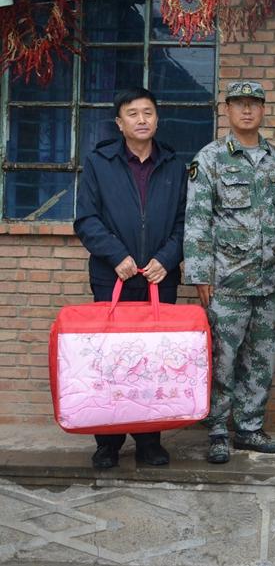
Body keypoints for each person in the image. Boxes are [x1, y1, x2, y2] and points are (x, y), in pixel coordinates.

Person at [74, 87, 186, 469]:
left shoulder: (173, 165)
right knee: (112, 360)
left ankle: (149, 441)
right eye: (133, 113)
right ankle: (107, 442)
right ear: (119, 123)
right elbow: (86, 219)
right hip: (112, 278)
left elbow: (185, 222)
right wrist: (116, 255)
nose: (142, 119)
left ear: (157, 119)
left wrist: (167, 259)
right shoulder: (99, 163)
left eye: (148, 112)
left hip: (159, 279)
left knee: (154, 362)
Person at [184, 81, 275, 464]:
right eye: (239, 104)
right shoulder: (210, 158)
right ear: (227, 110)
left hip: (269, 281)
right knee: (222, 359)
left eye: (254, 104)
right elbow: (197, 220)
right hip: (226, 282)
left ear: (263, 110)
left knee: (261, 359)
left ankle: (249, 427)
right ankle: (217, 430)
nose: (247, 110)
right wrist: (200, 274)